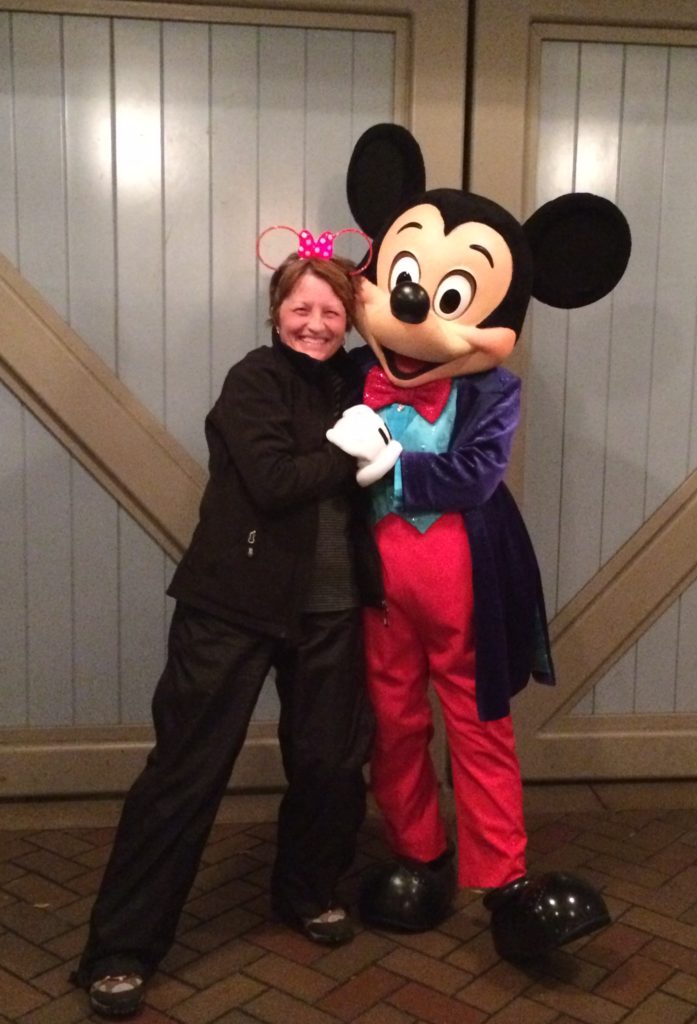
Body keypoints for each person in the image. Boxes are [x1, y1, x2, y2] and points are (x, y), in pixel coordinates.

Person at [74, 250, 382, 1018]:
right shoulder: (254, 380)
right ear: (276, 312)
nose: (314, 324)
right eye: (299, 309)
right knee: (185, 771)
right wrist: (352, 456)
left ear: (350, 320)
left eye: (331, 312)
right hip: (231, 605)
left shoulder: (360, 380)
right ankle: (119, 949)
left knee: (332, 764)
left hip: (333, 610)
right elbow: (275, 483)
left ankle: (306, 893)